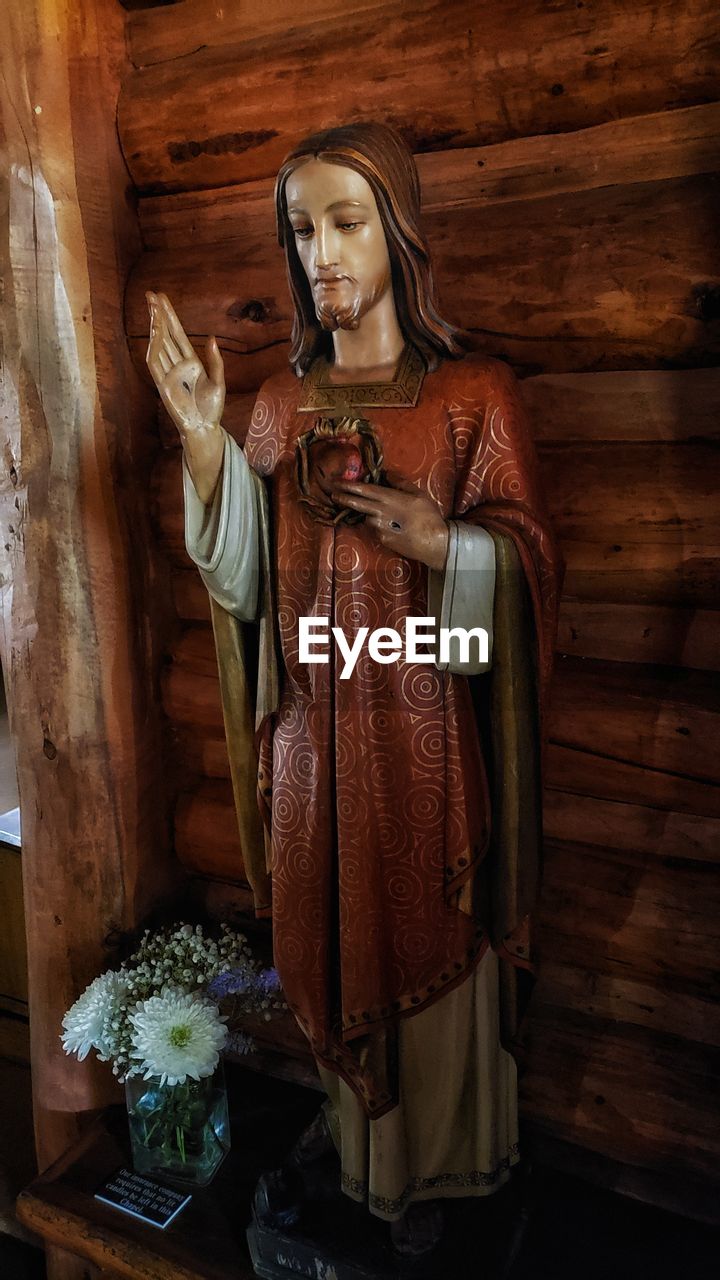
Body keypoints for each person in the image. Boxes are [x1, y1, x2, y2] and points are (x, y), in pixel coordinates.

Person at [146, 122, 560, 1256]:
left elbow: (529, 571)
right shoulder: (279, 403)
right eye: (301, 229)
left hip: (424, 732)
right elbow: (244, 584)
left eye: (344, 221)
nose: (320, 252)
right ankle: (358, 1151)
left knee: (435, 929)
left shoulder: (475, 397)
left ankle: (447, 1170)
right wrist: (201, 443)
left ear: (400, 229)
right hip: (314, 749)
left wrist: (452, 547)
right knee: (331, 942)